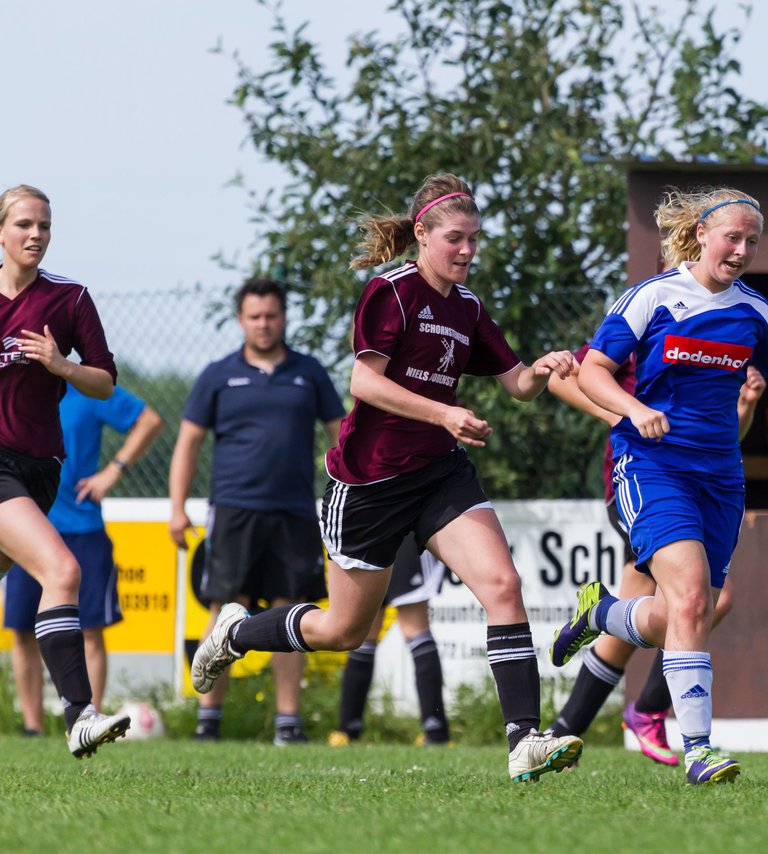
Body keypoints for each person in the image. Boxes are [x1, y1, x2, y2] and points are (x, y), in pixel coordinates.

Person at [188, 174, 583, 782]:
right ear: (422, 235)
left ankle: (524, 740)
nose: (468, 251)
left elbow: (517, 385)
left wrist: (545, 369)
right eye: (456, 238)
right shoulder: (390, 292)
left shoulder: (468, 307)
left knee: (503, 584)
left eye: (475, 239)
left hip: (438, 475)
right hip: (368, 484)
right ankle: (238, 633)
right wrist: (446, 411)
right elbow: (363, 383)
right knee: (342, 630)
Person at [550, 187, 768, 785]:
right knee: (693, 597)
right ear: (700, 235)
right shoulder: (652, 297)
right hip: (652, 468)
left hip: (721, 478)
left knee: (689, 609)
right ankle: (698, 749)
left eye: (752, 242)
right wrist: (631, 410)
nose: (741, 250)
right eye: (732, 238)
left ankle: (605, 613)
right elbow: (592, 370)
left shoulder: (757, 313)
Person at [546, 346, 764, 766]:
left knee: (662, 613)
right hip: (644, 483)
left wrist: (747, 406)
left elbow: (727, 435)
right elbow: (562, 377)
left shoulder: (719, 341)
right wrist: (617, 413)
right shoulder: (645, 316)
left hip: (695, 490)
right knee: (698, 601)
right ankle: (651, 714)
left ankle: (566, 729)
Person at [169, 278, 345, 745]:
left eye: (271, 315)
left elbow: (340, 435)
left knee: (293, 613)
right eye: (255, 316)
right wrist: (176, 508)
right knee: (226, 610)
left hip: (294, 513)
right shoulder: (217, 374)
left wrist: (355, 492)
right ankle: (208, 720)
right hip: (234, 511)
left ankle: (289, 724)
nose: (264, 324)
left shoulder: (309, 372)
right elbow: (188, 443)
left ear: (283, 317)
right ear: (241, 319)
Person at [0, 183, 131, 756]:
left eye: (45, 226)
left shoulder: (70, 299)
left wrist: (62, 365)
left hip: (41, 470)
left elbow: (105, 382)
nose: (36, 235)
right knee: (62, 571)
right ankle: (80, 717)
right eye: (25, 224)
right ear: (1, 231)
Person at [5, 383, 163, 733]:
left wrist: (113, 470)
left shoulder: (86, 387)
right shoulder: (13, 383)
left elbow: (149, 420)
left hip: (82, 528)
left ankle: (89, 721)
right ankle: (33, 728)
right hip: (23, 525)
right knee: (22, 631)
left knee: (89, 629)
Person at [328, 533, 452, 747]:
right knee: (362, 631)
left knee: (415, 627)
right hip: (371, 531)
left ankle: (436, 730)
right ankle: (347, 729)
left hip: (407, 531)